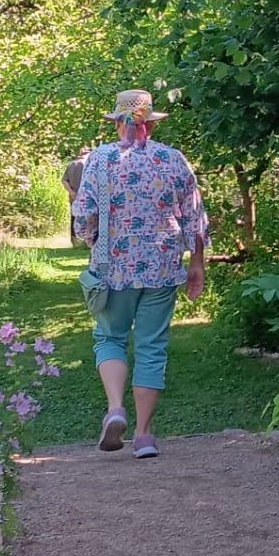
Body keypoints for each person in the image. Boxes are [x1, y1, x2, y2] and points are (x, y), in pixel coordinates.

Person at [72, 90, 209, 459]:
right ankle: (144, 435)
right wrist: (197, 263)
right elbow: (194, 216)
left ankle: (116, 408)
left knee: (111, 338)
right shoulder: (172, 160)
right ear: (151, 123)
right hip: (162, 269)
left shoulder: (99, 161)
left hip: (112, 269)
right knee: (152, 345)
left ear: (118, 122)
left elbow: (84, 218)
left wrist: (91, 239)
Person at [61, 146, 90, 241]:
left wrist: (71, 192)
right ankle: (84, 239)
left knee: (74, 217)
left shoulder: (71, 164)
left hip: (73, 196)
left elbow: (64, 180)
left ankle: (74, 240)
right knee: (86, 217)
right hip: (85, 196)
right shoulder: (88, 164)